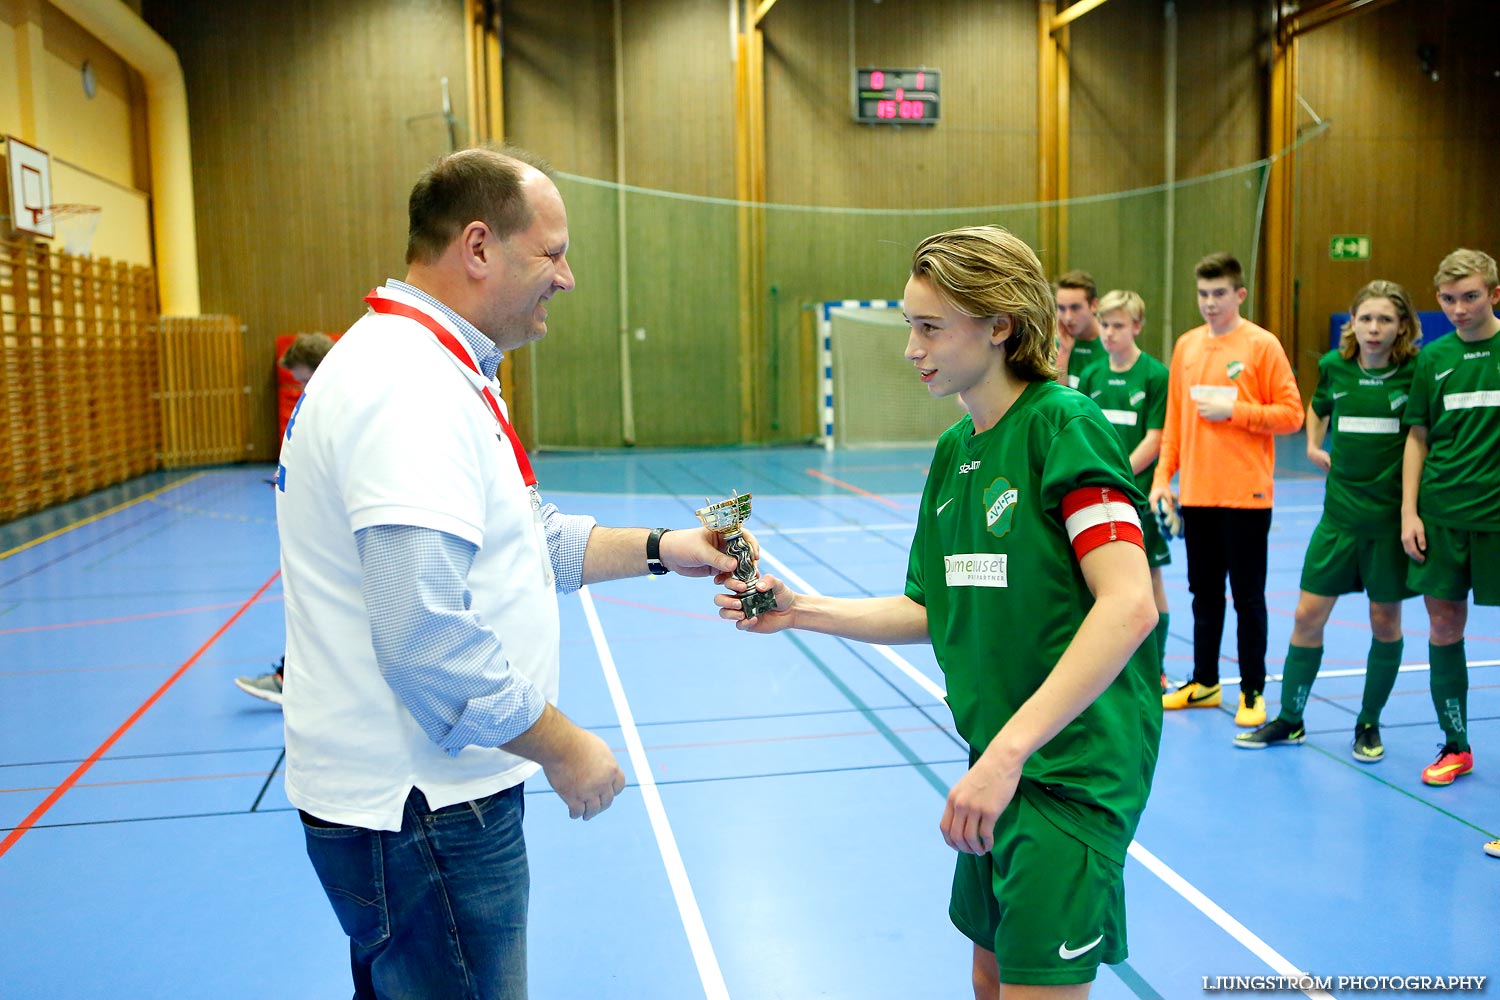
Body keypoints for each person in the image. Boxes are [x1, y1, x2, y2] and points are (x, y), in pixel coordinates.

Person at [274, 145, 741, 999]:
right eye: (553, 252)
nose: (568, 277)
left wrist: (663, 548)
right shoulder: (409, 388)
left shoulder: (429, 368)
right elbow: (424, 638)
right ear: (480, 249)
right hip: (425, 816)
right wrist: (566, 749)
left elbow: (524, 544)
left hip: (417, 811)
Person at [720, 226, 1161, 998]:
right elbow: (930, 605)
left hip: (1065, 774)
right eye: (908, 327)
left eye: (930, 327)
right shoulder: (956, 449)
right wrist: (804, 610)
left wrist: (1007, 755)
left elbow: (1129, 607)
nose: (911, 348)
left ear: (1000, 326)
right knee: (988, 983)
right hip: (999, 765)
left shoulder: (1065, 428)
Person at [1234, 280, 1421, 760]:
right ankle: (1291, 719)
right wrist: (1315, 445)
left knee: (1385, 621)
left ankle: (1367, 723)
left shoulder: (1416, 373)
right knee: (1305, 616)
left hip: (1387, 524)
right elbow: (1318, 406)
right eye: (1365, 319)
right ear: (1352, 323)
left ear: (1402, 326)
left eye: (1385, 319)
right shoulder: (1335, 367)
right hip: (1338, 519)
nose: (1374, 329)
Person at [1151, 252, 1303, 728]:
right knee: (1204, 594)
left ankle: (1253, 690)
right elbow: (1174, 423)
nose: (1210, 303)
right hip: (1197, 494)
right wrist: (1162, 480)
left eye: (1219, 294)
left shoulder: (1262, 345)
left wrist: (1237, 412)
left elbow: (1292, 414)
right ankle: (1204, 682)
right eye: (1203, 294)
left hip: (1246, 496)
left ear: (1239, 294)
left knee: (1248, 597)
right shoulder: (1186, 347)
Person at [1401, 247, 1500, 788]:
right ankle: (1456, 745)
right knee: (1443, 626)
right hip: (1441, 516)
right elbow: (1418, 437)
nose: (1459, 309)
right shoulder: (1432, 359)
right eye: (1448, 299)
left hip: (1496, 521)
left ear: (1494, 294)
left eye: (1470, 297)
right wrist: (1408, 512)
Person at [1077, 290, 1173, 692]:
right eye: (1105, 324)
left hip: (1136, 495)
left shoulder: (1154, 375)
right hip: (1096, 496)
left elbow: (1155, 439)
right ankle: (1108, 665)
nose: (1109, 333)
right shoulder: (1092, 375)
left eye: (1118, 325)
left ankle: (1156, 668)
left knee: (1148, 581)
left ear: (1137, 327)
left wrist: (1116, 475)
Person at [236, 332, 336, 705]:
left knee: (320, 607)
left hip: (335, 531)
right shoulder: (319, 403)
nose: (301, 387)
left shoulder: (338, 401)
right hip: (321, 524)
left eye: (305, 378)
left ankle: (288, 680)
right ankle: (290, 677)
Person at [1055, 269, 1104, 388]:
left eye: (1075, 308)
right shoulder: (1056, 346)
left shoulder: (1112, 343)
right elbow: (1056, 398)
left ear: (1094, 305)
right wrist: (1064, 351)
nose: (1068, 317)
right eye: (1061, 308)